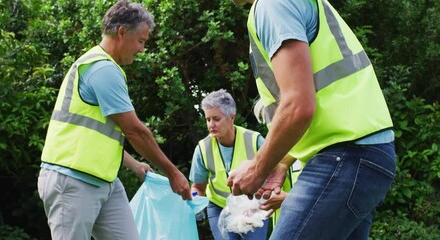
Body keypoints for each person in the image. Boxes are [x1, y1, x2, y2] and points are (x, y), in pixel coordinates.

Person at [227, 0, 397, 239]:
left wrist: (257, 168)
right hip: (362, 155)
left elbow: (298, 105)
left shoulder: (272, 6)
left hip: (345, 157)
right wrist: (282, 161)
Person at [37, 1, 191, 239]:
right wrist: (173, 173)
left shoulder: (105, 67)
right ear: (122, 32)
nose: (142, 49)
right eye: (141, 41)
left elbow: (104, 133)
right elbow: (135, 131)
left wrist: (134, 164)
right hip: (72, 181)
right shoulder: (102, 69)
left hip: (105, 182)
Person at [189, 89, 269, 240]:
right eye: (207, 119)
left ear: (231, 118)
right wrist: (195, 202)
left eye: (216, 119)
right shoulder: (202, 148)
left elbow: (273, 175)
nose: (211, 125)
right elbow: (198, 187)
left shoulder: (255, 140)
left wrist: (258, 202)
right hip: (219, 207)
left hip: (253, 207)